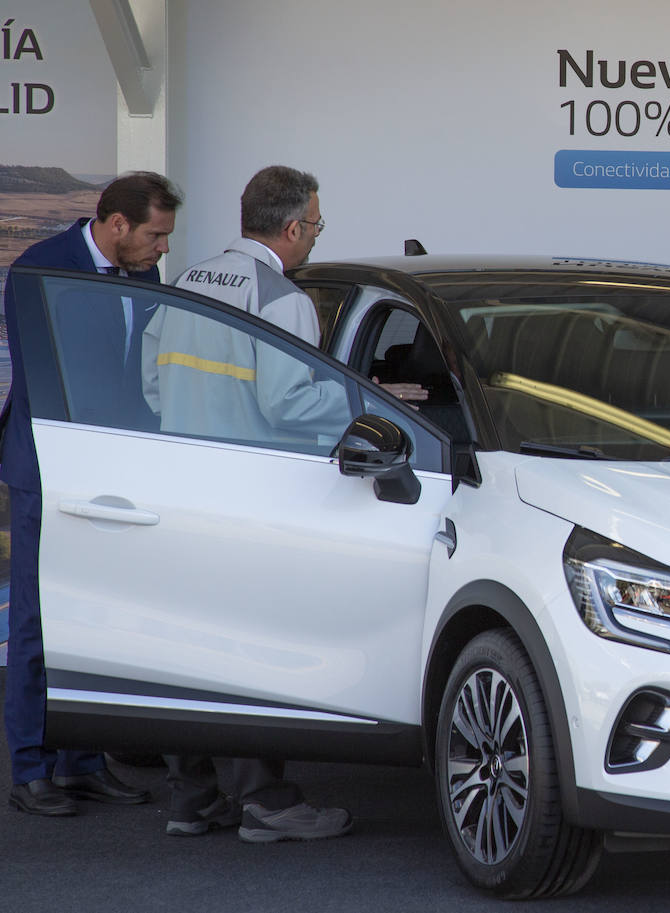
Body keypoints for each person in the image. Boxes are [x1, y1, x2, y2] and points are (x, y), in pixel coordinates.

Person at [152, 165, 419, 842]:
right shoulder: (283, 298)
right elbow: (289, 402)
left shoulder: (187, 281)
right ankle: (266, 802)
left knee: (186, 643)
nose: (315, 240)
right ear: (294, 226)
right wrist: (372, 400)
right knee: (241, 648)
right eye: (317, 226)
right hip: (244, 492)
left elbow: (151, 387)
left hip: (175, 484)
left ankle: (192, 798)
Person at [0, 171, 180, 816]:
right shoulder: (42, 269)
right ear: (117, 223)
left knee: (97, 615)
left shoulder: (144, 278)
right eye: (156, 235)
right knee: (37, 620)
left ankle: (81, 761)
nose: (163, 249)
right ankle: (31, 767)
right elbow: (46, 375)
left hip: (114, 471)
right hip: (51, 467)